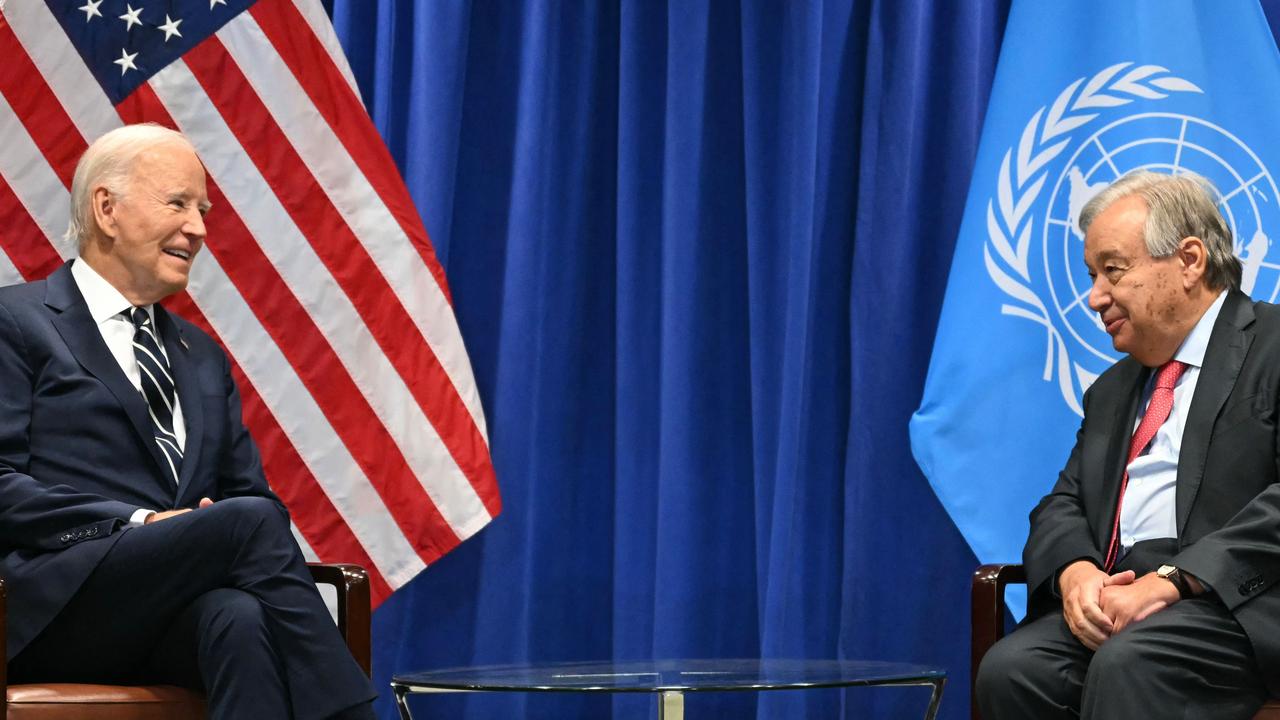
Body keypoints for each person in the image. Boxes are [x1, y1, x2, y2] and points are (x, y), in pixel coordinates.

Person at [0, 124, 376, 719]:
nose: (198, 229)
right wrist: (144, 522)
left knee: (239, 617)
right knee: (246, 526)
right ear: (107, 209)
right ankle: (353, 713)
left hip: (166, 614)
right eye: (178, 203)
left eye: (202, 210)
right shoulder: (16, 321)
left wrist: (202, 529)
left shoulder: (201, 356)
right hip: (52, 607)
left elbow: (254, 499)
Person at [976, 170, 1280, 719]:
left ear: (1189, 261)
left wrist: (1173, 581)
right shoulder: (1113, 391)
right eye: (1093, 275)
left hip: (1235, 602)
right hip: (1123, 592)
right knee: (1013, 670)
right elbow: (1062, 503)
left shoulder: (1273, 345)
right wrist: (1076, 573)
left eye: (1112, 270)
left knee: (1131, 661)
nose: (1095, 297)